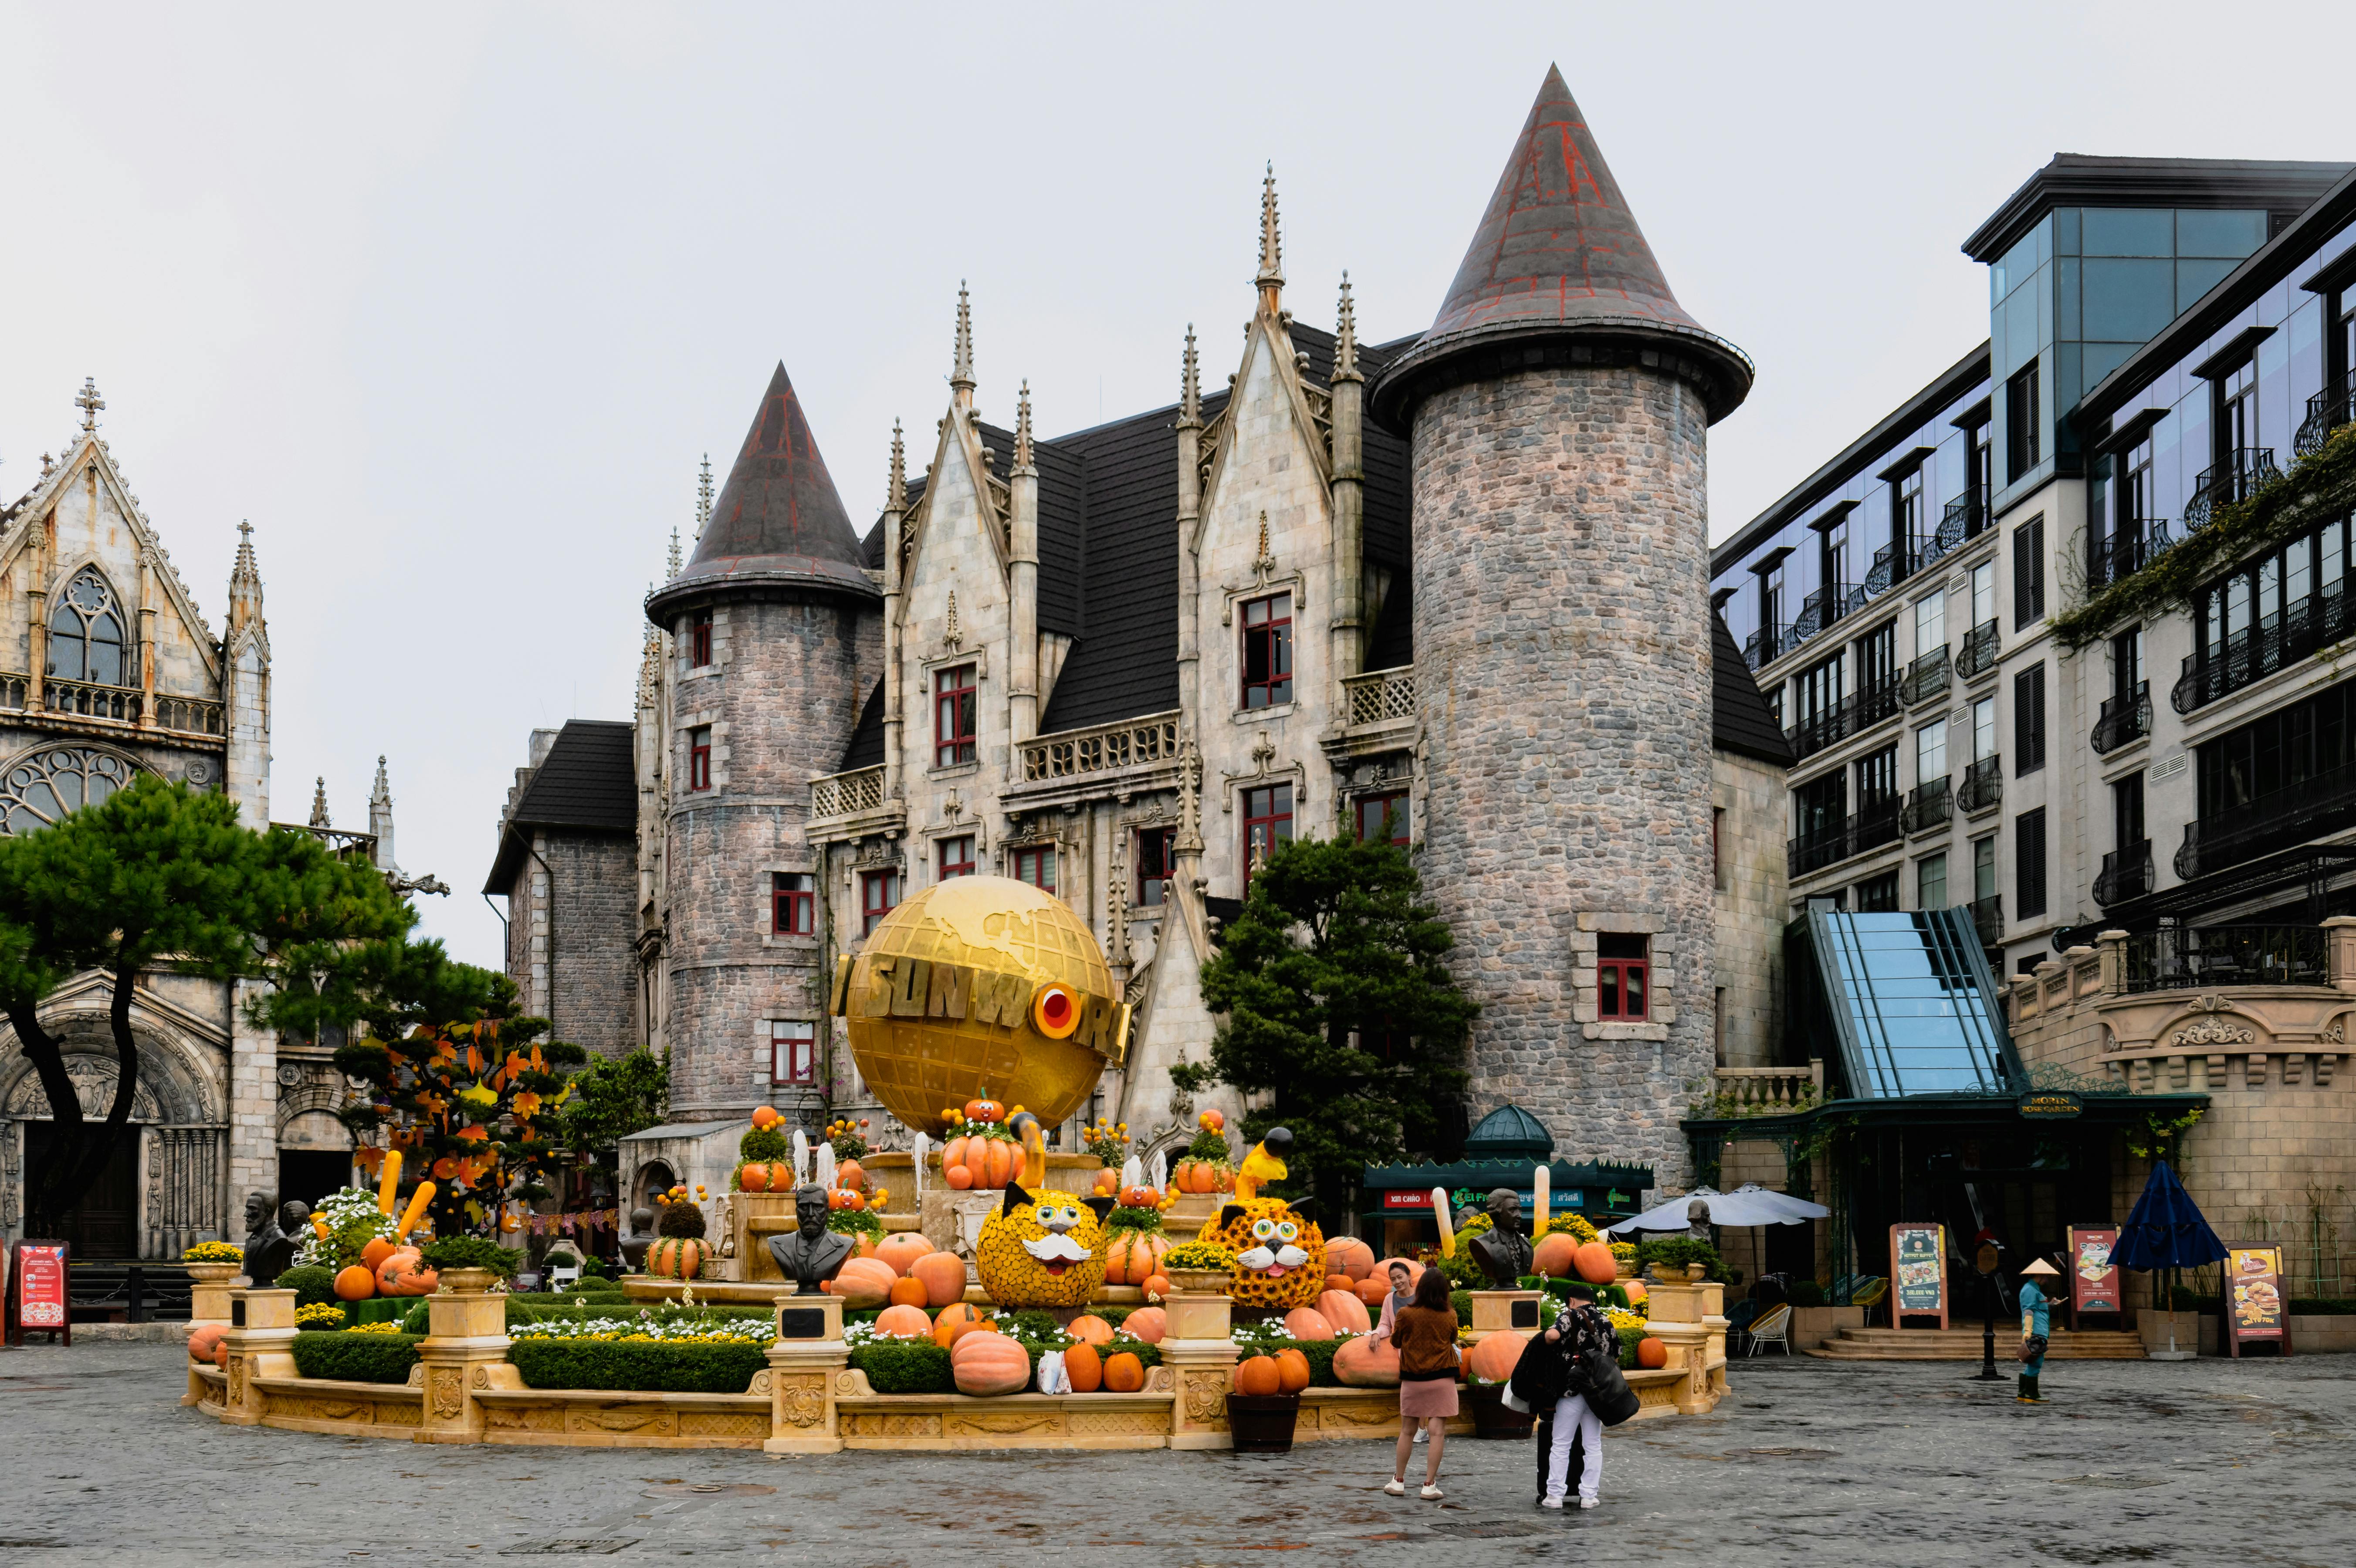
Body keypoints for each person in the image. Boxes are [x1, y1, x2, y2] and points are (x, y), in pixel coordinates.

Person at [1384, 1265, 1460, 1500]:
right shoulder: (1450, 1315)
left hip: (1413, 1379)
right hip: (1442, 1380)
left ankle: (1398, 1482)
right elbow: (1453, 1339)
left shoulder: (1406, 1314)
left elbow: (1396, 1341)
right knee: (1437, 1434)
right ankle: (1429, 1485)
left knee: (1407, 1431)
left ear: (1421, 1288)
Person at [1539, 1280, 1616, 1509]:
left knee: (1561, 1443)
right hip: (1597, 1393)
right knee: (1593, 1444)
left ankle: (1554, 1496)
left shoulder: (1568, 1316)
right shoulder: (1606, 1321)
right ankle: (1589, 1496)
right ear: (1591, 1299)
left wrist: (1544, 1339)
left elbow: (1552, 1337)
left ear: (1571, 1301)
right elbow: (1615, 1357)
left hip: (1571, 1390)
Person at [1369, 1260, 1428, 1444]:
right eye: (1393, 1279)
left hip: (1426, 1350)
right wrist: (1377, 1334)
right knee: (1412, 1391)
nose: (1397, 1282)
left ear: (1410, 1276)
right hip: (1404, 1353)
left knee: (1422, 1390)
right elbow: (1386, 1325)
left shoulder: (1422, 1297)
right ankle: (1420, 1429)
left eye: (1400, 1277)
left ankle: (1423, 1429)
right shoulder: (1390, 1299)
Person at [2017, 1256, 2061, 1404]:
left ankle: (2023, 1393)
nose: (2047, 1280)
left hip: (2040, 1330)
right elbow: (2028, 1311)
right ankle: (2032, 1395)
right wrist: (2028, 1331)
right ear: (2040, 1276)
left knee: (2032, 1362)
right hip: (2036, 1332)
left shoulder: (2035, 1290)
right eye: (2047, 1277)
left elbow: (2038, 1309)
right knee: (2036, 1362)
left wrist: (2052, 1305)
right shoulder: (2030, 1290)